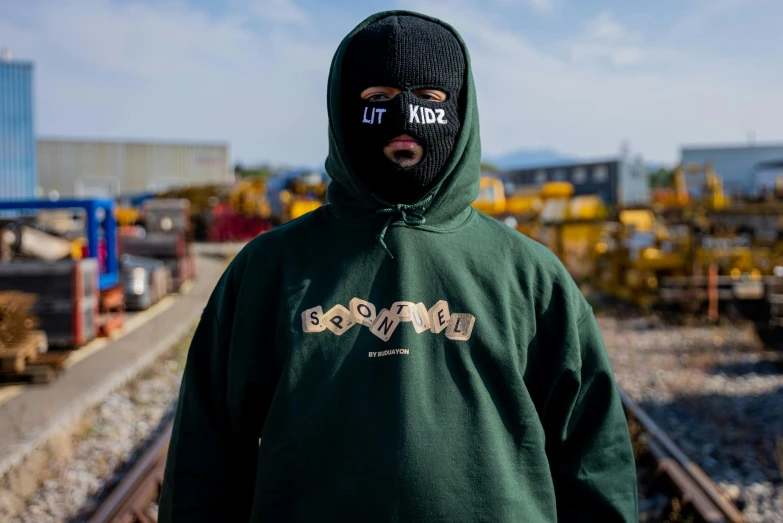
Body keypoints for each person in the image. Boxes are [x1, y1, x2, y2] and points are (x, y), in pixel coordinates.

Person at [159, 10, 638, 522]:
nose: (405, 119)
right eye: (377, 100)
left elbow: (594, 466)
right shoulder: (269, 270)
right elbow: (203, 466)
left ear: (462, 110)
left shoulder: (530, 276)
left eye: (431, 99)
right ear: (344, 112)